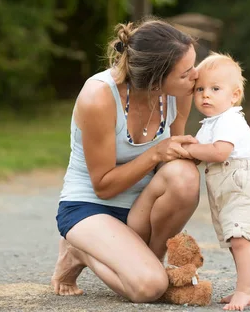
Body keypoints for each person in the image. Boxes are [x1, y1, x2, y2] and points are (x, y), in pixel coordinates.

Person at [51, 18, 202, 303]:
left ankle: (151, 260)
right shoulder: (99, 97)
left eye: (194, 66)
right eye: (185, 73)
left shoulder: (177, 94)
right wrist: (157, 153)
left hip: (139, 209)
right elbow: (104, 186)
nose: (196, 76)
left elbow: (173, 162)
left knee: (185, 175)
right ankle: (79, 249)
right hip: (90, 206)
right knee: (148, 288)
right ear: (156, 80)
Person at [183, 52, 250, 311]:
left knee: (240, 239)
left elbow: (219, 152)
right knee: (235, 241)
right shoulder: (209, 124)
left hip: (243, 184)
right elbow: (199, 152)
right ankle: (242, 288)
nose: (205, 95)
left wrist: (189, 150)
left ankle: (246, 291)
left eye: (215, 89)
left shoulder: (230, 119)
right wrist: (186, 149)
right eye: (200, 89)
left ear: (234, 96)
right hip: (226, 187)